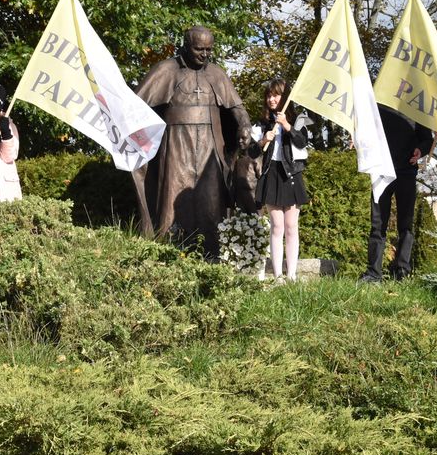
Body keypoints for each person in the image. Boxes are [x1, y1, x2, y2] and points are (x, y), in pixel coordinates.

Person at [132, 26, 251, 260]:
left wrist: (244, 125)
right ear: (185, 46)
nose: (204, 55)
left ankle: (213, 254)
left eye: (209, 50)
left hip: (210, 146)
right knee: (171, 200)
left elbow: (236, 107)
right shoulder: (166, 70)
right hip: (176, 144)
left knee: (211, 201)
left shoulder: (217, 74)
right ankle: (167, 255)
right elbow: (136, 106)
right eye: (199, 49)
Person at [360, 104, 432, 283]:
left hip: (406, 172)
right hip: (381, 171)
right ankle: (373, 273)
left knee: (405, 224)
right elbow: (365, 127)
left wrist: (420, 151)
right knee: (378, 224)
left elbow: (427, 139)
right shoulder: (378, 106)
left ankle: (402, 271)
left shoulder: (417, 108)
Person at [249, 77, 310, 283]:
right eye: (268, 95)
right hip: (271, 173)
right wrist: (263, 140)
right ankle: (277, 276)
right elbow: (251, 151)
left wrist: (286, 126)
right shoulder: (262, 122)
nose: (271, 99)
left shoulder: (299, 119)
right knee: (277, 226)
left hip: (291, 173)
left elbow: (302, 143)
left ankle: (291, 274)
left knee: (292, 226)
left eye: (275, 95)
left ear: (284, 97)